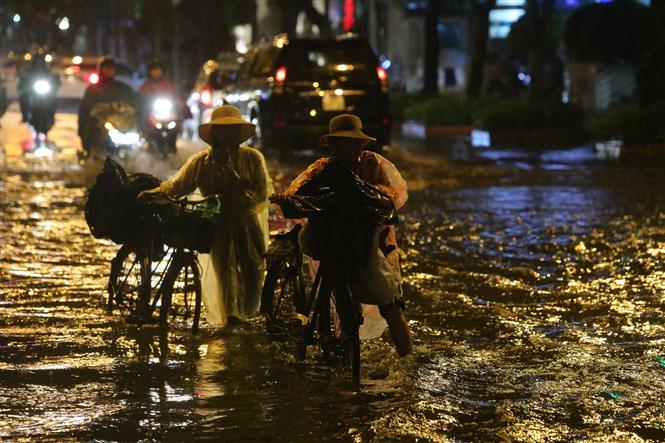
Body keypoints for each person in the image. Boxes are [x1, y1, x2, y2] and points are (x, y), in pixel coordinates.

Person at [271, 114, 413, 356]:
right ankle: (342, 343)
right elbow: (296, 198)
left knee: (391, 305)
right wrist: (286, 201)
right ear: (332, 146)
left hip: (368, 244)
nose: (349, 148)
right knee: (339, 294)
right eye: (342, 143)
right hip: (329, 243)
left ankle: (408, 361)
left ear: (362, 144)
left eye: (353, 143)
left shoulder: (374, 166)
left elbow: (392, 199)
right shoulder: (322, 170)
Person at [138, 105, 273, 325]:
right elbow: (178, 186)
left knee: (252, 270)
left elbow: (261, 193)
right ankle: (230, 320)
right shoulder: (201, 162)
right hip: (216, 223)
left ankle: (249, 315)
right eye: (222, 129)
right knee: (223, 273)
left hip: (247, 223)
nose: (227, 134)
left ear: (239, 132)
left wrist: (241, 200)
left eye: (232, 129)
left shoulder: (253, 158)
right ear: (215, 133)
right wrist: (155, 194)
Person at [78, 55, 136, 155]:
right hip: (99, 125)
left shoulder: (122, 87)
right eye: (107, 68)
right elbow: (85, 110)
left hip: (119, 122)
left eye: (112, 68)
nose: (109, 71)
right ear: (101, 69)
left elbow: (132, 101)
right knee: (95, 133)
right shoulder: (93, 89)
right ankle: (94, 152)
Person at [17, 51, 60, 123]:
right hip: (32, 91)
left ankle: (51, 117)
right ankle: (25, 116)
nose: (39, 63)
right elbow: (23, 79)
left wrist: (56, 81)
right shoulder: (29, 71)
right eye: (37, 61)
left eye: (40, 61)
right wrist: (23, 80)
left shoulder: (47, 71)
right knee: (23, 97)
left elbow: (53, 78)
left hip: (45, 91)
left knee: (53, 98)